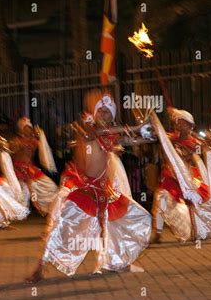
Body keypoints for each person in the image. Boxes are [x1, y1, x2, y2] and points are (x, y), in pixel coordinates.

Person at [27, 91, 152, 282]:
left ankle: (118, 261)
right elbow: (92, 134)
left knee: (131, 219)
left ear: (112, 115)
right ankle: (40, 266)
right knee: (60, 225)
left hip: (103, 188)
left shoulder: (111, 134)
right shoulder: (84, 126)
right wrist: (134, 127)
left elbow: (129, 140)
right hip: (80, 187)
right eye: (100, 110)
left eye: (107, 112)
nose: (103, 114)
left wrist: (146, 135)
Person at [151, 108, 211, 243]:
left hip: (190, 178)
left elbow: (205, 156)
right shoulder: (171, 139)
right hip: (171, 178)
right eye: (178, 122)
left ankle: (197, 230)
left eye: (183, 123)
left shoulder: (197, 143)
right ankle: (156, 232)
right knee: (161, 196)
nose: (179, 125)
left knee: (197, 201)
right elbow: (159, 135)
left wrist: (209, 146)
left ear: (190, 126)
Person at [10, 117, 58, 216]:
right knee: (23, 192)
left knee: (50, 186)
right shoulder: (15, 141)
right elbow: (10, 152)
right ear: (21, 129)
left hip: (31, 169)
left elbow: (45, 150)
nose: (28, 129)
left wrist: (40, 136)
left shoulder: (34, 141)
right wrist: (18, 147)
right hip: (17, 169)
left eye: (29, 127)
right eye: (25, 127)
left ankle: (51, 209)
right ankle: (16, 212)